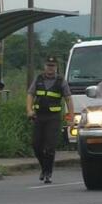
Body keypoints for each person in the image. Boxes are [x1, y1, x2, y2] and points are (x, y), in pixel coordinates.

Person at [26, 55, 74, 183]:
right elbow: (30, 94)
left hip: (53, 118)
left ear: (56, 67)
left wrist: (70, 117)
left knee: (49, 147)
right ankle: (44, 168)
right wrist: (29, 110)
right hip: (39, 116)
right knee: (36, 145)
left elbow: (68, 99)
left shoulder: (61, 81)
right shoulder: (39, 79)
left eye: (52, 66)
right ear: (44, 66)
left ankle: (48, 172)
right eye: (48, 65)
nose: (50, 68)